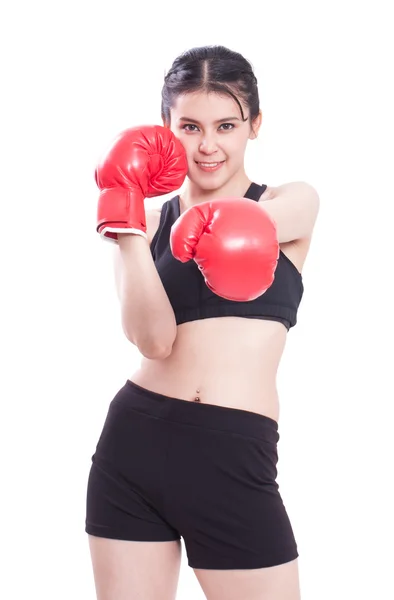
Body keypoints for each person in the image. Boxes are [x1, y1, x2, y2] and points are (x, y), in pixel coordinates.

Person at [85, 45, 320, 600]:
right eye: (190, 126)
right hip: (133, 448)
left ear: (254, 126)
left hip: (233, 456)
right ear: (165, 128)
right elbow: (153, 340)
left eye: (226, 125)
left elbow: (255, 226)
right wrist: (127, 226)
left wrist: (201, 222)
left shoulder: (292, 203)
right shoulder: (139, 220)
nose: (208, 145)